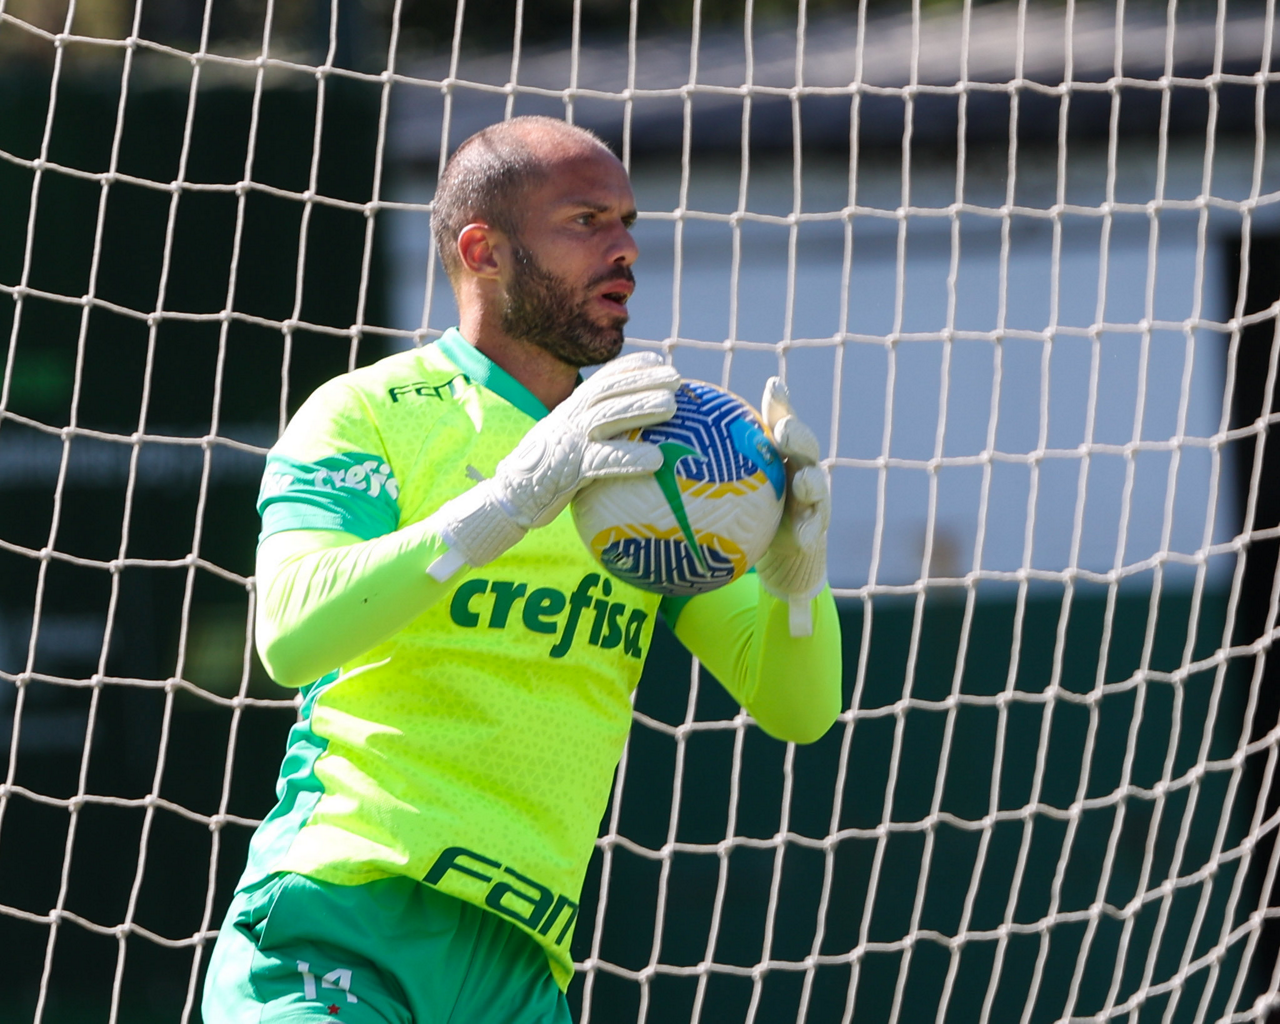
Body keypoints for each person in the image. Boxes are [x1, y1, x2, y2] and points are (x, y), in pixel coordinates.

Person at [201, 116, 842, 1023]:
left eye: (627, 222)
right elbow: (291, 636)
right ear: (484, 251)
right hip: (339, 918)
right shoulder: (368, 411)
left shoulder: (654, 459)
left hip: (522, 970)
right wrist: (508, 502)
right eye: (586, 220)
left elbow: (799, 709)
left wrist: (796, 580)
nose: (625, 250)